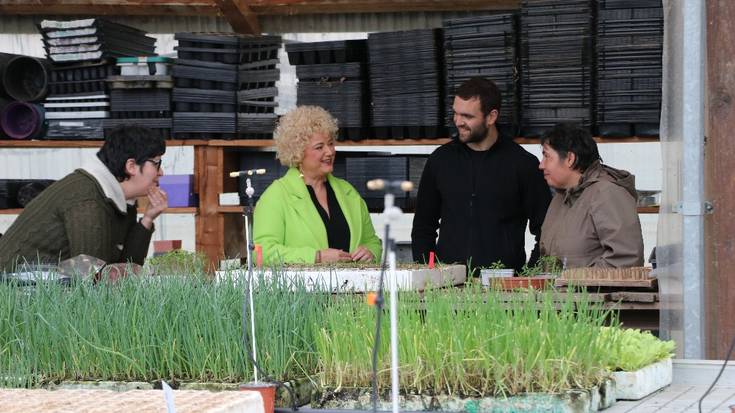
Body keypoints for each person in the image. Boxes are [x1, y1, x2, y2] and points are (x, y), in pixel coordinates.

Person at [412, 77, 552, 272]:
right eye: (455, 113)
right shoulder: (440, 161)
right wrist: (428, 273)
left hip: (505, 288)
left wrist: (528, 276)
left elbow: (546, 230)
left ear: (491, 117)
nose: (458, 122)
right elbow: (423, 228)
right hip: (447, 285)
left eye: (467, 116)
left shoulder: (523, 164)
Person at [0, 125, 168, 273]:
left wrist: (147, 219)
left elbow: (125, 270)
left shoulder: (120, 199)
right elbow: (90, 279)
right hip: (16, 295)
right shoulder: (87, 199)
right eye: (156, 163)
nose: (161, 172)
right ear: (131, 166)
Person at [253, 106, 382, 264]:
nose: (329, 152)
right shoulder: (276, 196)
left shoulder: (348, 191)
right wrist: (316, 257)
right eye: (319, 147)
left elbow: (372, 241)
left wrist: (371, 252)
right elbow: (261, 253)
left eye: (331, 143)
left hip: (351, 288)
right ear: (298, 153)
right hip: (301, 289)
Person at [538, 122, 644, 268]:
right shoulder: (561, 196)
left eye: (547, 156)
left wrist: (575, 282)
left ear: (570, 159)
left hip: (596, 291)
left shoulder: (607, 193)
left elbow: (625, 259)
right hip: (564, 291)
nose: (541, 165)